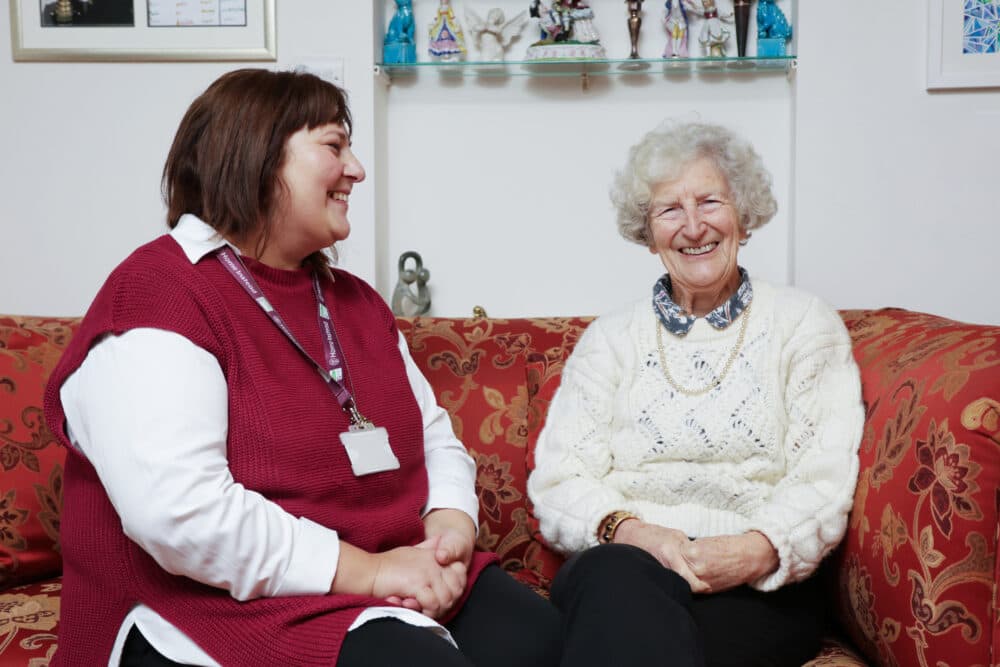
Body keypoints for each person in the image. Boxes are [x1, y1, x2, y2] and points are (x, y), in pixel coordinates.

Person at [43, 68, 561, 667]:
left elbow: (434, 440)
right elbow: (180, 515)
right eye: (334, 146)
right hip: (217, 600)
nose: (357, 170)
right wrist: (369, 572)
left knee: (544, 642)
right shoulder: (159, 292)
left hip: (386, 567)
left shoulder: (357, 302)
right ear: (258, 155)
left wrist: (446, 535)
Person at [527, 120, 864, 667]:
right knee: (614, 583)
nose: (693, 226)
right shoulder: (610, 341)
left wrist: (756, 550)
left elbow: (822, 477)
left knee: (621, 634)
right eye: (669, 210)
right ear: (648, 231)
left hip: (757, 590)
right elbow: (560, 480)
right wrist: (634, 532)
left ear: (743, 215)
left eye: (710, 201)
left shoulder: (803, 325)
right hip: (627, 569)